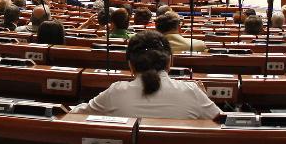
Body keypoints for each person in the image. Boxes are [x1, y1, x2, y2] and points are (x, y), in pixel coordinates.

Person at [72, 30, 220, 120]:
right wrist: (203, 98)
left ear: (130, 65)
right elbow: (226, 123)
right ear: (170, 62)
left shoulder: (115, 92)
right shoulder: (192, 92)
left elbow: (74, 114)